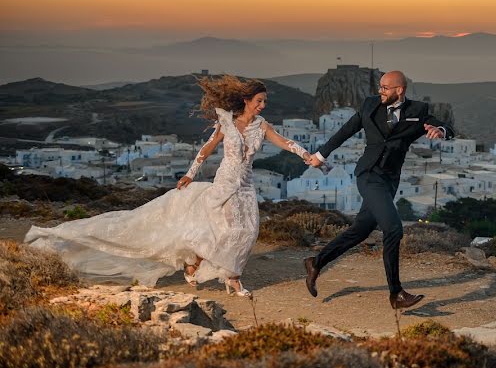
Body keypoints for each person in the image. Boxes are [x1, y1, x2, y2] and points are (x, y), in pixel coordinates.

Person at [24, 75, 311, 297]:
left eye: (264, 102)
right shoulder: (227, 121)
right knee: (228, 229)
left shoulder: (261, 125)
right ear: (247, 100)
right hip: (225, 181)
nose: (263, 105)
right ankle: (233, 280)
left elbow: (284, 142)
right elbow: (207, 149)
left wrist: (306, 155)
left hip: (246, 184)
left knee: (247, 231)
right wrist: (190, 174)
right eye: (259, 100)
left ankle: (195, 265)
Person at [304, 70, 453, 310]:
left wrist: (440, 131)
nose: (380, 91)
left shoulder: (417, 111)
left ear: (399, 90)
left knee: (361, 229)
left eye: (385, 87)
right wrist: (320, 155)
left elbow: (442, 124)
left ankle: (316, 262)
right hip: (368, 174)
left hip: (390, 180)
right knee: (393, 228)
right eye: (380, 87)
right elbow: (345, 131)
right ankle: (396, 294)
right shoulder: (370, 105)